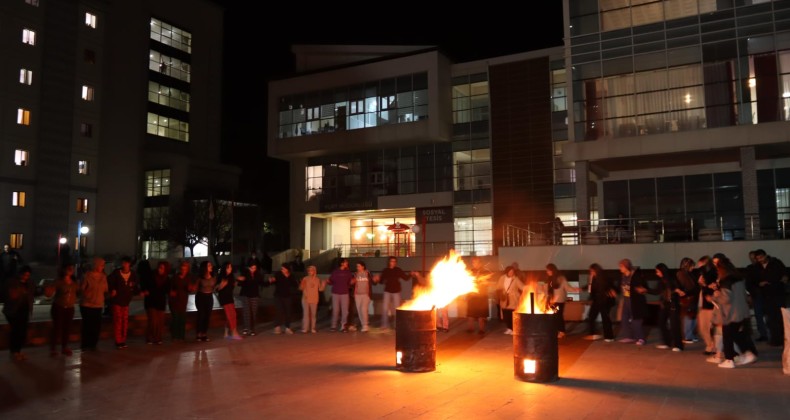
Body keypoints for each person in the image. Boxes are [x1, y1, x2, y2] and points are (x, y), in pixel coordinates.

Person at [710, 257, 758, 368]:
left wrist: (714, 297)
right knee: (737, 335)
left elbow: (726, 299)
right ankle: (748, 353)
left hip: (731, 313)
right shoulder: (739, 278)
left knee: (728, 336)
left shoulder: (726, 280)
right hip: (742, 311)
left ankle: (729, 359)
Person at [754, 249, 787, 347]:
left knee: (779, 318)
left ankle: (781, 338)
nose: (760, 260)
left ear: (765, 255)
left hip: (777, 294)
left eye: (761, 257)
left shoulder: (775, 263)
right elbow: (754, 280)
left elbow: (784, 274)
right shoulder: (757, 267)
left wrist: (783, 278)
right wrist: (759, 283)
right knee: (771, 319)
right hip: (767, 295)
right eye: (758, 259)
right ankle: (775, 339)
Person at [106, 256, 139, 349]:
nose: (124, 265)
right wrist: (112, 290)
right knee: (118, 320)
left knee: (125, 321)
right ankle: (118, 340)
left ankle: (123, 340)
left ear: (129, 264)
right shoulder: (116, 273)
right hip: (117, 301)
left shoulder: (133, 274)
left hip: (126, 301)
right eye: (123, 263)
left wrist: (137, 291)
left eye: (126, 263)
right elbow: (109, 281)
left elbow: (135, 286)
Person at [3, 265, 35, 360]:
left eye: (28, 275)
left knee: (22, 331)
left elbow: (32, 293)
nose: (26, 277)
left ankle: (18, 350)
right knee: (16, 331)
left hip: (24, 310)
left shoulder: (29, 283)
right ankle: (14, 351)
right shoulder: (12, 282)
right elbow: (8, 294)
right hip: (13, 310)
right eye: (24, 274)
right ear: (20, 273)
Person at [48, 263, 78, 357]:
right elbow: (50, 292)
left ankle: (64, 347)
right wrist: (48, 290)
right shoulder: (59, 281)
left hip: (69, 308)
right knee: (57, 328)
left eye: (72, 268)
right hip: (59, 307)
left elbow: (79, 291)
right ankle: (53, 348)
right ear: (64, 270)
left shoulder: (74, 282)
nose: (71, 270)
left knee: (67, 328)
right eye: (69, 268)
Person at [616, 259, 648, 345]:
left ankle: (641, 338)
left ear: (626, 266)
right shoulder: (622, 276)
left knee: (636, 320)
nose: (620, 269)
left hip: (635, 301)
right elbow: (620, 287)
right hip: (626, 299)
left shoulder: (635, 275)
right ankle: (628, 336)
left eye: (621, 266)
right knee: (624, 318)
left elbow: (643, 286)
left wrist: (641, 289)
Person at [653, 263, 684, 351]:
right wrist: (645, 290)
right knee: (661, 322)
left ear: (662, 271)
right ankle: (667, 342)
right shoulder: (661, 281)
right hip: (664, 304)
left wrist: (677, 290)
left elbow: (678, 288)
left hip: (673, 304)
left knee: (675, 325)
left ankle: (678, 345)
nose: (657, 273)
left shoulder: (672, 279)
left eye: (657, 271)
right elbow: (657, 291)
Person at [79, 257, 108, 352]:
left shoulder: (103, 277)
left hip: (98, 304)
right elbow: (81, 289)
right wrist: (87, 293)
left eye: (103, 265)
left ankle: (93, 344)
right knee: (87, 325)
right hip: (87, 304)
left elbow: (105, 289)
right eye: (101, 265)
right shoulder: (87, 276)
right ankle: (85, 344)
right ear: (96, 265)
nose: (102, 267)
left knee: (96, 326)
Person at [545, 263, 580, 338]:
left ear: (552, 270)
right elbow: (548, 290)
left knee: (558, 316)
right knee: (555, 316)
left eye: (548, 270)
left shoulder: (561, 278)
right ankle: (557, 330)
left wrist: (575, 290)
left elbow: (567, 287)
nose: (547, 272)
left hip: (560, 300)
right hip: (553, 301)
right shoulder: (550, 279)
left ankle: (562, 331)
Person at [585, 263, 617, 341]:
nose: (591, 273)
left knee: (605, 318)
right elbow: (590, 288)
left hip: (605, 301)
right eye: (590, 271)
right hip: (596, 300)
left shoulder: (604, 277)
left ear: (596, 270)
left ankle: (609, 337)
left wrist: (612, 291)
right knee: (591, 316)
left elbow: (610, 286)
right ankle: (593, 334)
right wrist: (583, 287)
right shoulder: (593, 278)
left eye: (592, 271)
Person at [378, 256, 412, 329]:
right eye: (391, 261)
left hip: (396, 291)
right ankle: (384, 325)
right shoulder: (386, 270)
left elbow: (405, 278)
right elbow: (381, 281)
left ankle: (397, 325)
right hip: (387, 291)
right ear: (389, 262)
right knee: (385, 308)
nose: (393, 263)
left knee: (397, 308)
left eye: (394, 261)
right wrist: (378, 279)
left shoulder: (398, 270)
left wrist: (410, 274)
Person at [143, 261, 171, 345]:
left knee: (160, 321)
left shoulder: (166, 278)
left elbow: (167, 289)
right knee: (153, 320)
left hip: (160, 302)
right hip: (151, 301)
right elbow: (145, 285)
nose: (160, 270)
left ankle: (158, 338)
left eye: (162, 268)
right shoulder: (151, 276)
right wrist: (145, 291)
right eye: (159, 267)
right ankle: (150, 337)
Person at [744, 250, 768, 342]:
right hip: (757, 294)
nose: (753, 260)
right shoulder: (750, 268)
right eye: (751, 258)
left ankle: (766, 333)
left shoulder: (761, 267)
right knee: (759, 315)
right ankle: (763, 334)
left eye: (754, 258)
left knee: (765, 315)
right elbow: (748, 283)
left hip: (765, 294)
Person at [215, 261, 242, 340]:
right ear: (225, 268)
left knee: (230, 315)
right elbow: (216, 288)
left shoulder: (231, 276)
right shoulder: (221, 276)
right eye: (229, 267)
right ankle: (234, 332)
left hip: (230, 297)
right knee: (231, 314)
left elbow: (232, 285)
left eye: (231, 267)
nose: (231, 268)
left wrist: (237, 280)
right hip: (223, 297)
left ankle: (226, 332)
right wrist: (221, 285)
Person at [237, 261, 264, 336]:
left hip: (254, 295)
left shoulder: (258, 274)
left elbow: (262, 283)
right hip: (246, 295)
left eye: (255, 268)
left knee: (253, 312)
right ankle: (246, 328)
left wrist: (269, 281)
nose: (253, 269)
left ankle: (252, 329)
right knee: (246, 312)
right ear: (249, 267)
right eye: (252, 268)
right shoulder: (245, 273)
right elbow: (240, 283)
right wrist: (239, 280)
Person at [676, 257, 699, 344]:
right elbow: (688, 286)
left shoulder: (689, 274)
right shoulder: (681, 273)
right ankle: (687, 336)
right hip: (687, 298)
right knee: (688, 317)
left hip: (692, 297)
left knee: (692, 317)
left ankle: (691, 335)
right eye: (691, 266)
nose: (693, 268)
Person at [466, 256, 492, 335]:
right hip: (472, 296)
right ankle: (470, 328)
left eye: (476, 262)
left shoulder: (485, 271)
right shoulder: (470, 271)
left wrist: (482, 281)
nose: (474, 264)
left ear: (480, 263)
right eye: (473, 262)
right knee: (470, 314)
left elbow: (489, 282)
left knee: (481, 314)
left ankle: (481, 329)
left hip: (481, 296)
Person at [495, 266, 524, 335]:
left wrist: (529, 287)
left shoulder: (515, 279)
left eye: (512, 272)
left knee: (512, 314)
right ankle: (509, 328)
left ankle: (514, 329)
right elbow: (498, 287)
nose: (511, 273)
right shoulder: (502, 278)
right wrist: (500, 293)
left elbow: (522, 287)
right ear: (507, 271)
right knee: (506, 314)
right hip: (504, 299)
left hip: (513, 299)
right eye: (510, 271)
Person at [169, 260, 193, 342]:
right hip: (175, 300)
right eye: (182, 267)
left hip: (183, 300)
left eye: (185, 267)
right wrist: (171, 292)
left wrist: (190, 288)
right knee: (175, 318)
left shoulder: (188, 278)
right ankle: (175, 336)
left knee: (182, 318)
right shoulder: (175, 277)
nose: (183, 269)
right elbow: (170, 287)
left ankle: (181, 336)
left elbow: (189, 288)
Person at [327, 258, 354, 332]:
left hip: (345, 293)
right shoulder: (335, 272)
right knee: (336, 310)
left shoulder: (348, 272)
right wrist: (327, 281)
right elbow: (331, 281)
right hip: (336, 293)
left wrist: (353, 281)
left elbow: (350, 282)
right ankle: (333, 326)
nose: (347, 263)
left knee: (345, 311)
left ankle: (343, 326)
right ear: (341, 263)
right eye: (345, 262)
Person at [269, 263, 297, 334]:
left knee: (288, 312)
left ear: (287, 269)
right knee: (279, 311)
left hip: (288, 296)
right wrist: (272, 280)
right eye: (282, 268)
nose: (282, 270)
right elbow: (274, 280)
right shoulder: (278, 274)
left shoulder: (291, 276)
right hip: (278, 296)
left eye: (284, 268)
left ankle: (287, 327)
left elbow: (294, 284)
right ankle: (277, 327)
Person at [194, 261, 216, 342]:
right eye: (209, 265)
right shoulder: (200, 278)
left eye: (211, 265)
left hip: (209, 297)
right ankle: (198, 333)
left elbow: (214, 287)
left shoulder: (213, 277)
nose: (211, 266)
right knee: (201, 315)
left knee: (207, 315)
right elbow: (195, 288)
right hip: (201, 297)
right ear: (205, 268)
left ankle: (204, 333)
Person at [299, 265, 325, 333]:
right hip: (306, 299)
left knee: (313, 314)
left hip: (314, 299)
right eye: (309, 270)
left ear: (314, 271)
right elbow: (301, 288)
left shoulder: (317, 279)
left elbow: (321, 289)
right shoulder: (305, 278)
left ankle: (313, 328)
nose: (310, 272)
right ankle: (305, 328)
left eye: (311, 270)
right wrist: (302, 283)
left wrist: (323, 284)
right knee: (306, 314)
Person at [350, 261, 373, 332]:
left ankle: (365, 325)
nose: (357, 267)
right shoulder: (355, 274)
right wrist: (352, 282)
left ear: (363, 266)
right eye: (357, 266)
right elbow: (351, 283)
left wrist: (376, 279)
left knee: (363, 309)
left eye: (359, 266)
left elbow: (373, 281)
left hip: (366, 294)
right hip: (357, 295)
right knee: (359, 310)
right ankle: (364, 325)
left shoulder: (368, 273)